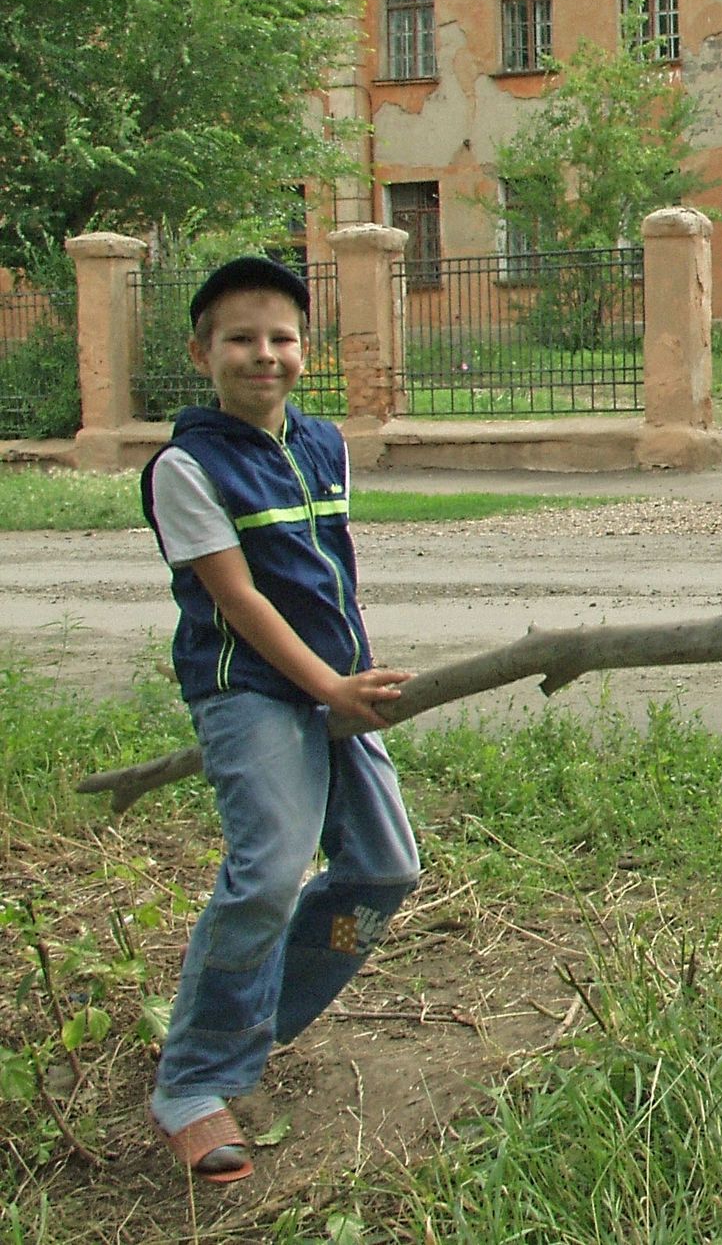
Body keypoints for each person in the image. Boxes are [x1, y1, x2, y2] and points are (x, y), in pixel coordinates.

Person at [139, 256, 420, 1184]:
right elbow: (243, 603)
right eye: (241, 340)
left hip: (336, 683)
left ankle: (255, 1025)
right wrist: (326, 691)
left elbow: (326, 575)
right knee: (266, 875)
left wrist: (350, 677)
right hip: (249, 689)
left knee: (384, 867)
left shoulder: (323, 442)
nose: (265, 356)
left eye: (282, 338)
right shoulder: (185, 466)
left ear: (306, 348)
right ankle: (192, 1083)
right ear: (201, 351)